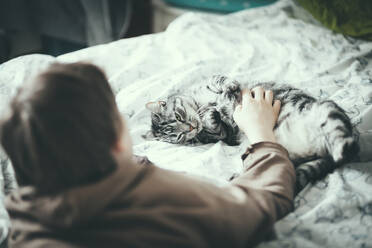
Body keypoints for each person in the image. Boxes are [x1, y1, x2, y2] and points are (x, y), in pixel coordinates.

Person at [0, 62, 295, 248]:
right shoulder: (161, 196)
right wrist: (261, 136)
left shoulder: (24, 227)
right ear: (117, 143)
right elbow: (261, 205)